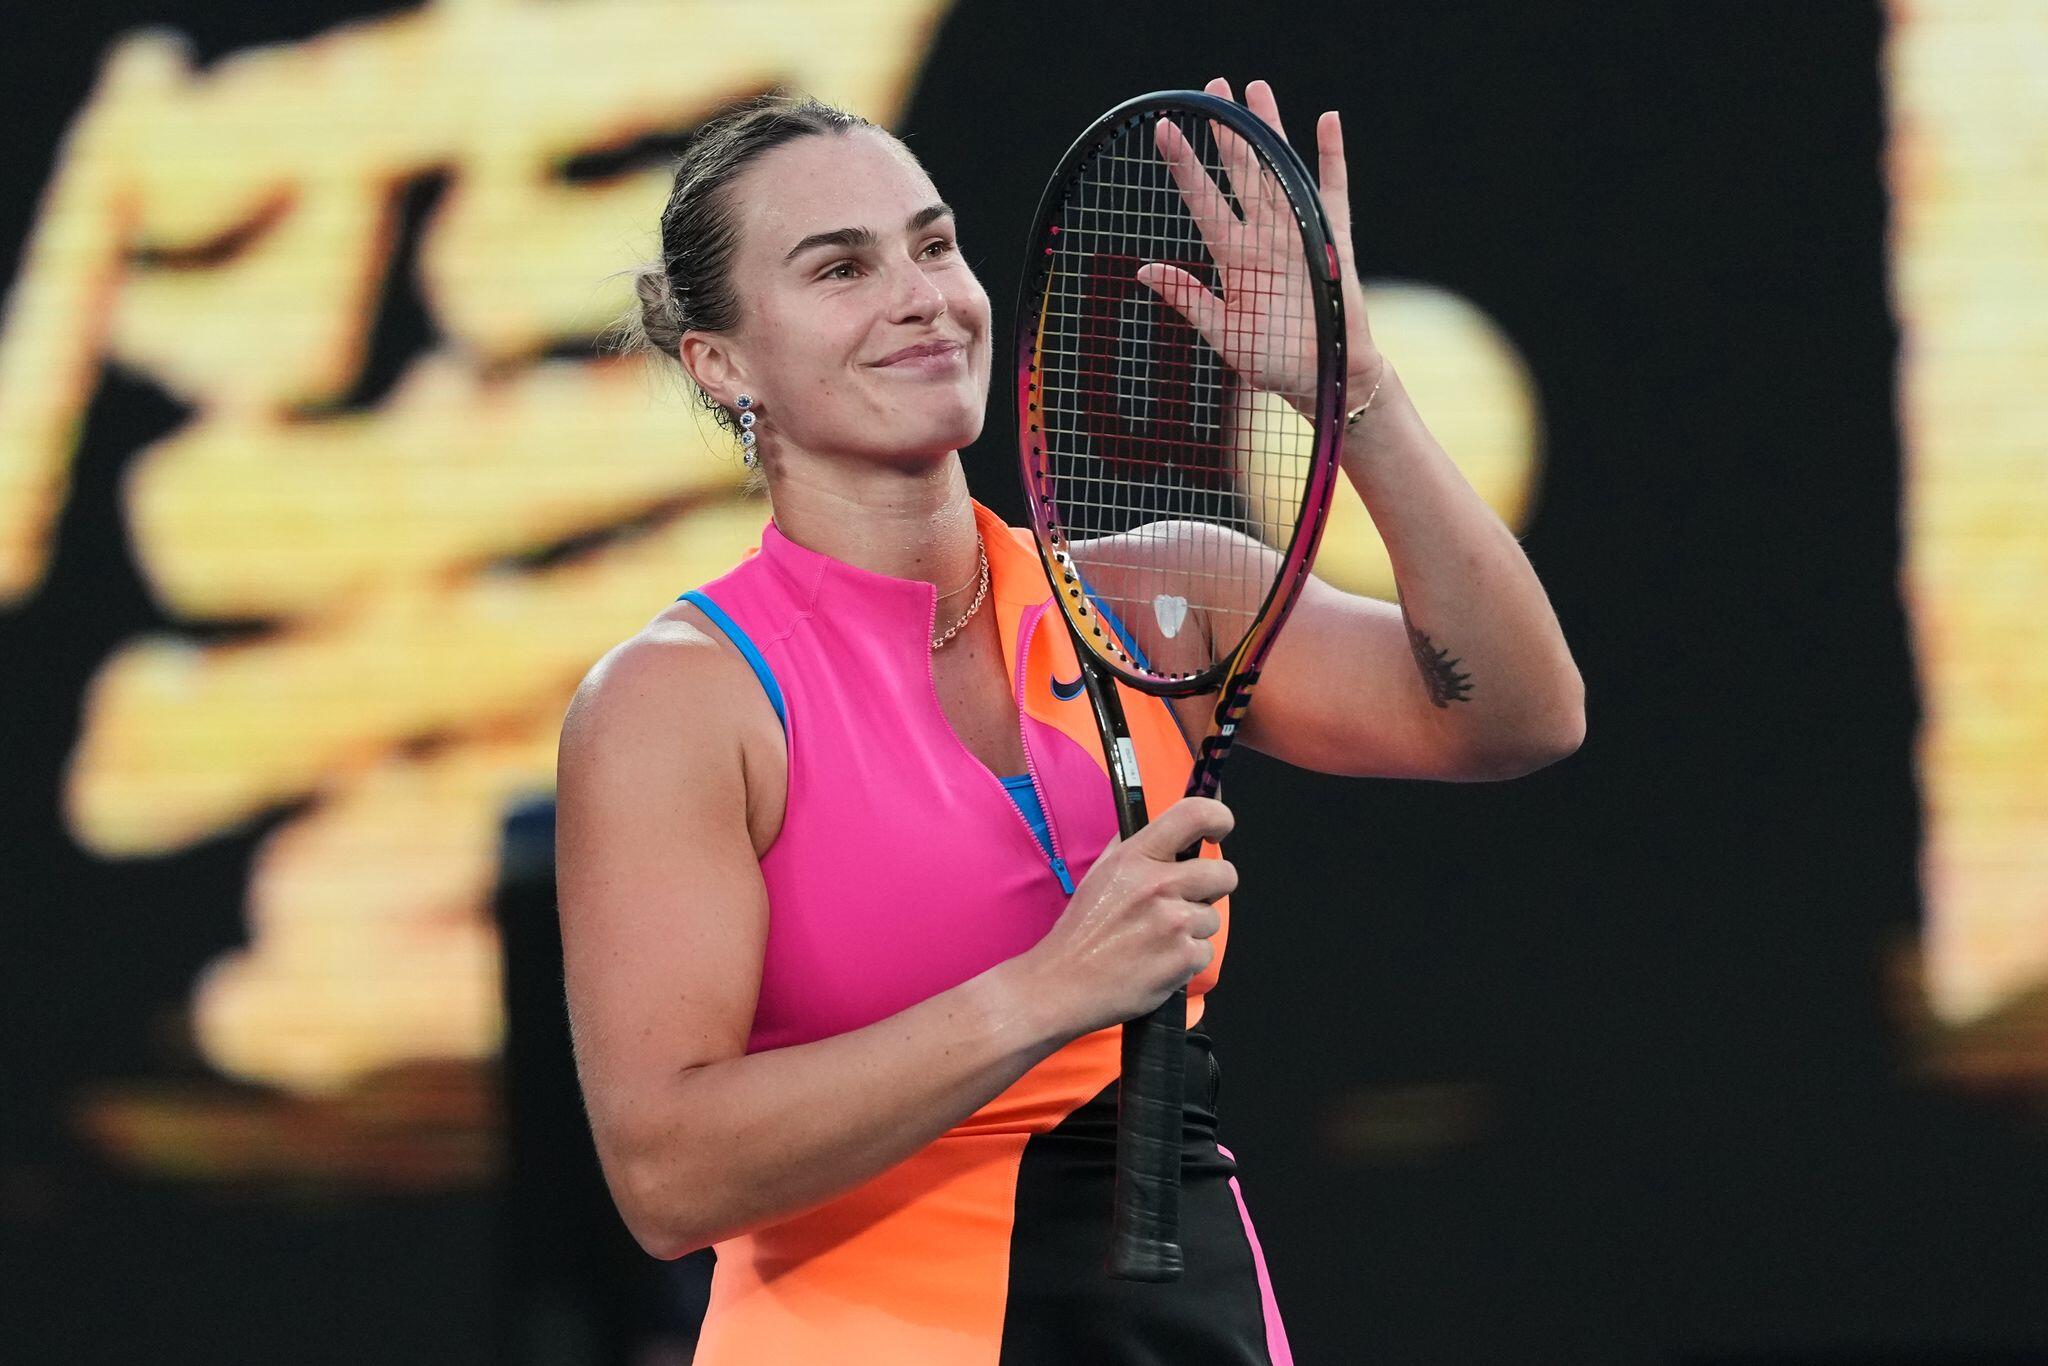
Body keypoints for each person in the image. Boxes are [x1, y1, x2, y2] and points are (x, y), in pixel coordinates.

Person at [556, 81, 1583, 1364]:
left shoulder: (1157, 598)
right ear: (721, 362)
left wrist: (1354, 391)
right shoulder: (676, 699)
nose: (922, 297)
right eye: (841, 268)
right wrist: (1046, 991)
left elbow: (1514, 715)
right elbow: (666, 1177)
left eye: (934, 245)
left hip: (1191, 1326)